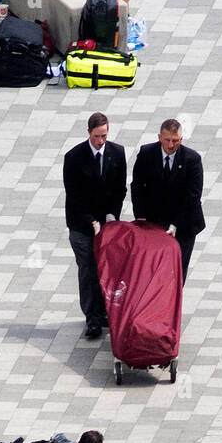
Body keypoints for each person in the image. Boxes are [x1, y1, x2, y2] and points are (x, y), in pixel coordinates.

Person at [63, 111, 127, 339]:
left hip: (107, 224)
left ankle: (105, 312)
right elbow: (74, 196)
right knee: (89, 270)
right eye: (97, 136)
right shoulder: (74, 158)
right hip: (83, 226)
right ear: (89, 132)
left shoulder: (117, 153)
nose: (101, 141)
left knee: (106, 269)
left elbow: (120, 189)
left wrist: (111, 215)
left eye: (104, 136)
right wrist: (91, 221)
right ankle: (92, 317)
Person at [130, 118, 205, 283]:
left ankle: (172, 305)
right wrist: (141, 218)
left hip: (183, 225)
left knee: (177, 271)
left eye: (175, 141)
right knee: (153, 269)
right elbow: (137, 187)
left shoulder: (191, 159)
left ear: (181, 139)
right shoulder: (146, 154)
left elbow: (193, 195)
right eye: (167, 140)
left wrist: (176, 223)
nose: (171, 145)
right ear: (159, 138)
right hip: (154, 222)